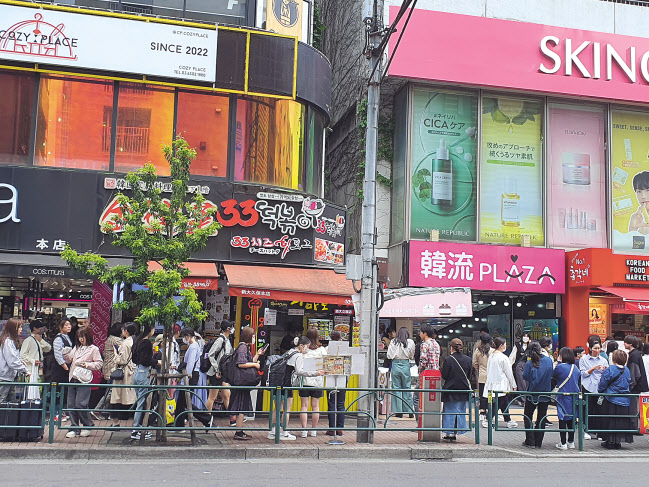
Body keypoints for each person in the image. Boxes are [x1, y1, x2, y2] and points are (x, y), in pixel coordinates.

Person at [267, 336, 323, 441]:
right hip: (287, 383)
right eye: (307, 346)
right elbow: (299, 371)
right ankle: (284, 432)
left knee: (277, 408)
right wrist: (316, 373)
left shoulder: (290, 352)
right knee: (287, 409)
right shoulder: (298, 356)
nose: (307, 348)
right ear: (301, 346)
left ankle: (272, 431)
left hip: (278, 381)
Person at [64, 327, 103, 438]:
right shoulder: (77, 348)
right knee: (71, 405)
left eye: (83, 337)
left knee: (80, 404)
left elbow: (99, 363)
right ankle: (74, 427)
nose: (81, 339)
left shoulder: (93, 349)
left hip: (84, 379)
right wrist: (65, 355)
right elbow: (69, 359)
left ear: (88, 336)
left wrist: (87, 365)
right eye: (79, 337)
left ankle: (87, 424)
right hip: (73, 378)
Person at [231, 326, 265, 440]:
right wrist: (255, 365)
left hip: (242, 383)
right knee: (241, 406)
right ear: (248, 336)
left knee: (242, 406)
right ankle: (238, 432)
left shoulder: (244, 347)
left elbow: (248, 362)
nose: (255, 338)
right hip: (241, 382)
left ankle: (240, 431)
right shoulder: (242, 347)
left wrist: (257, 355)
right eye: (253, 336)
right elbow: (241, 364)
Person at [175, 328, 211, 429]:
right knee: (183, 402)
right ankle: (179, 425)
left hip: (190, 376)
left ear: (188, 336)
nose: (183, 339)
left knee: (184, 402)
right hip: (191, 376)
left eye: (184, 337)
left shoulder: (193, 347)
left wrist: (185, 379)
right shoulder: (194, 346)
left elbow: (190, 364)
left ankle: (206, 419)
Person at [598, 349, 634, 449]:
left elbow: (602, 384)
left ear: (614, 359)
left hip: (611, 398)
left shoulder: (610, 369)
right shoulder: (627, 370)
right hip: (625, 400)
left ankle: (610, 441)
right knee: (621, 421)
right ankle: (618, 441)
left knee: (610, 421)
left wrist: (601, 391)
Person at [521, 341, 552, 448]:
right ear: (540, 349)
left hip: (532, 393)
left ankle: (530, 440)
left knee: (527, 416)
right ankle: (538, 442)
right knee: (541, 418)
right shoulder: (549, 361)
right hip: (545, 393)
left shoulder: (530, 363)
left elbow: (525, 376)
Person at [441, 338, 473, 441]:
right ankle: (457, 432)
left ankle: (448, 433)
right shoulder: (468, 359)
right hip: (463, 389)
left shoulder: (448, 359)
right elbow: (469, 375)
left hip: (450, 390)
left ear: (451, 348)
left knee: (449, 411)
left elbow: (444, 376)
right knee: (460, 411)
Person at [483, 337, 518, 429]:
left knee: (503, 402)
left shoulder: (491, 356)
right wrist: (513, 384)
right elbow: (509, 373)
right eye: (505, 344)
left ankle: (508, 420)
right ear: (501, 346)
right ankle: (487, 419)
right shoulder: (503, 357)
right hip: (501, 384)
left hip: (492, 383)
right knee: (500, 402)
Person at [130, 323, 157, 440]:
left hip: (137, 372)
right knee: (142, 403)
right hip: (144, 373)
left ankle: (138, 428)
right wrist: (156, 361)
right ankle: (137, 429)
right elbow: (146, 360)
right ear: (150, 330)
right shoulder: (146, 343)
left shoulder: (138, 341)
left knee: (140, 401)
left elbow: (136, 359)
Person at [299, 328, 327, 437]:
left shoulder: (304, 350)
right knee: (315, 406)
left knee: (304, 406)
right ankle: (314, 430)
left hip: (305, 380)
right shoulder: (322, 350)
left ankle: (304, 430)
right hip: (317, 381)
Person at [579, 335, 608, 440]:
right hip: (588, 386)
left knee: (599, 409)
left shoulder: (604, 360)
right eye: (595, 348)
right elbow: (583, 373)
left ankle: (599, 432)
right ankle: (587, 430)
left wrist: (605, 370)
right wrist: (594, 368)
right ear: (590, 348)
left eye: (599, 348)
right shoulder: (584, 359)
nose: (597, 350)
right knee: (588, 409)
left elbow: (607, 374)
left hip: (600, 387)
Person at [204, 320, 235, 421]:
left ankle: (232, 419)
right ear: (228, 329)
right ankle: (207, 419)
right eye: (232, 327)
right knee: (212, 397)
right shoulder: (220, 340)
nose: (233, 329)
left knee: (227, 394)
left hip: (222, 372)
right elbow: (211, 354)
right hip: (216, 373)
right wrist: (216, 368)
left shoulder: (227, 339)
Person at [109, 323, 137, 428]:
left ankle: (116, 423)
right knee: (131, 398)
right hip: (131, 371)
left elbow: (121, 360)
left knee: (117, 398)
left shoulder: (125, 344)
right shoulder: (135, 342)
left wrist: (115, 354)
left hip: (124, 373)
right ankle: (135, 424)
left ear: (126, 331)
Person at [553, 347, 580, 450]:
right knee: (572, 418)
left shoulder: (560, 367)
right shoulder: (575, 367)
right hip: (574, 396)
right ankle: (571, 442)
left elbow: (554, 376)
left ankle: (563, 443)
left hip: (562, 396)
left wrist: (557, 363)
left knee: (562, 418)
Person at [387, 327, 416, 418]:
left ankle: (398, 412)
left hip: (395, 364)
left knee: (396, 388)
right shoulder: (410, 342)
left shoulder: (393, 341)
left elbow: (389, 355)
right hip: (405, 364)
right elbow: (412, 355)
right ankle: (410, 411)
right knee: (407, 387)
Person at [0, 317, 30, 403]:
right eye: (19, 327)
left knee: (8, 403)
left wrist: (20, 361)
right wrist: (25, 370)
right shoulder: (8, 341)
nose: (21, 329)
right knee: (4, 402)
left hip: (8, 376)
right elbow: (12, 361)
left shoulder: (8, 340)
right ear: (13, 329)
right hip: (5, 377)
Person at [50, 317, 74, 422]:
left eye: (69, 324)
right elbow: (58, 355)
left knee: (63, 391)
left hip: (65, 368)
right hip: (59, 369)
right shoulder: (58, 339)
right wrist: (65, 367)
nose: (69, 327)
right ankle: (55, 414)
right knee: (57, 391)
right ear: (61, 327)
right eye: (66, 325)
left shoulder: (67, 337)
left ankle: (60, 412)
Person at [624, 335, 648, 432]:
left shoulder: (633, 355)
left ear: (630, 343)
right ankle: (636, 425)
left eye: (625, 342)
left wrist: (630, 385)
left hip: (636, 386)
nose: (624, 344)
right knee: (636, 406)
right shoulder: (637, 354)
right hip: (640, 385)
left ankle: (634, 426)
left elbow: (634, 373)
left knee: (634, 407)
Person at [325, 331, 347, 436]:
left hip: (330, 378)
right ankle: (340, 428)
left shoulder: (327, 349)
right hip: (342, 379)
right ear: (340, 338)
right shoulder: (345, 349)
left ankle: (332, 428)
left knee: (332, 403)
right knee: (341, 404)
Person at [472, 333, 492, 422]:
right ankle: (490, 411)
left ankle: (482, 412)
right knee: (490, 395)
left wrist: (478, 369)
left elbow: (474, 362)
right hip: (491, 376)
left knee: (482, 395)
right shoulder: (492, 351)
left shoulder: (478, 351)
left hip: (482, 376)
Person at [509, 333, 530, 405]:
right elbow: (512, 356)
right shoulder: (517, 345)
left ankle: (526, 399)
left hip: (528, 366)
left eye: (527, 337)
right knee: (521, 383)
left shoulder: (531, 346)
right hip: (519, 366)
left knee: (527, 383)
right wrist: (509, 365)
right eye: (524, 336)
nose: (525, 338)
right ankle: (523, 400)